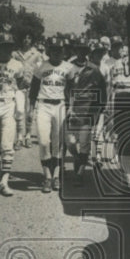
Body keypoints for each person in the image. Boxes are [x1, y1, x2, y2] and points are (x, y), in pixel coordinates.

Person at [30, 39, 75, 193]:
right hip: (43, 104)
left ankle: (54, 176)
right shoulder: (40, 66)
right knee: (43, 141)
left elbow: (71, 90)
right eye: (54, 49)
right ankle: (46, 175)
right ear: (49, 51)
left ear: (64, 51)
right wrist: (30, 109)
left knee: (58, 142)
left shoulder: (69, 67)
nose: (57, 52)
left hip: (60, 105)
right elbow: (33, 89)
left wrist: (71, 107)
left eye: (59, 49)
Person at [0, 32, 23, 196]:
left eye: (9, 47)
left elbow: (20, 84)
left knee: (7, 145)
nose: (5, 51)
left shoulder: (17, 64)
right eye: (3, 47)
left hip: (8, 103)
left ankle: (5, 182)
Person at [66, 46, 107, 185]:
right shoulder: (69, 66)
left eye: (84, 51)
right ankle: (78, 158)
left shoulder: (94, 69)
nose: (81, 53)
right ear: (75, 51)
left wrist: (100, 108)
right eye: (79, 50)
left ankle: (80, 174)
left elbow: (102, 89)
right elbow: (65, 88)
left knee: (84, 143)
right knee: (71, 142)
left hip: (87, 110)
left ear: (87, 53)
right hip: (72, 109)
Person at [12, 34, 42, 150]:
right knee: (19, 111)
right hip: (18, 86)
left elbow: (41, 68)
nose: (26, 39)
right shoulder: (15, 54)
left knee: (30, 112)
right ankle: (19, 137)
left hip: (32, 86)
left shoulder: (37, 54)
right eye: (25, 37)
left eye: (29, 37)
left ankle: (28, 136)